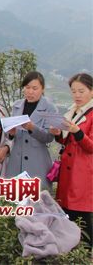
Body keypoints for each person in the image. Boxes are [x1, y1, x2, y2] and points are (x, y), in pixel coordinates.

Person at [50, 73, 93, 250]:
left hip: (82, 173)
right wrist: (58, 134)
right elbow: (67, 141)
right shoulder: (73, 111)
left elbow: (90, 146)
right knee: (67, 215)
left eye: (81, 91)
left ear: (91, 91)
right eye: (74, 91)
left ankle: (86, 254)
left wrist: (77, 131)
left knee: (82, 217)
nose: (77, 95)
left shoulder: (90, 114)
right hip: (68, 172)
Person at [6, 71, 57, 191]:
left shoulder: (49, 108)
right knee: (15, 196)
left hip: (37, 162)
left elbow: (49, 137)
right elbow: (10, 134)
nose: (30, 92)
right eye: (27, 87)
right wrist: (11, 133)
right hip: (16, 161)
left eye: (35, 88)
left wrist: (32, 128)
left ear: (42, 89)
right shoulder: (17, 106)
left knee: (37, 197)